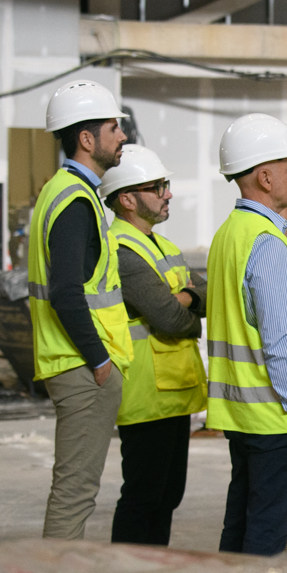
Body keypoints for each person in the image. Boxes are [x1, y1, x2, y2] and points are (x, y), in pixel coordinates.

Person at [206, 113, 287, 556]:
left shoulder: (229, 235)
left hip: (242, 416)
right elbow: (281, 346)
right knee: (268, 537)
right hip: (275, 417)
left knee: (239, 527)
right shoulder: (267, 242)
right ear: (265, 176)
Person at [27, 80, 132, 541]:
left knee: (74, 490)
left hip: (75, 365)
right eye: (114, 128)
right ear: (86, 140)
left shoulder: (67, 192)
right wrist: (100, 361)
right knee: (74, 494)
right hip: (81, 368)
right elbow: (66, 292)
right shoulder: (73, 200)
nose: (122, 136)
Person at [100, 145, 206, 546]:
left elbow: (206, 292)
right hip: (147, 395)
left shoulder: (161, 246)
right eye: (158, 186)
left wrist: (187, 297)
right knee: (143, 497)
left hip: (174, 390)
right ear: (127, 199)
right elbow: (168, 317)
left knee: (167, 497)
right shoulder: (123, 251)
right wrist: (186, 302)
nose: (168, 194)